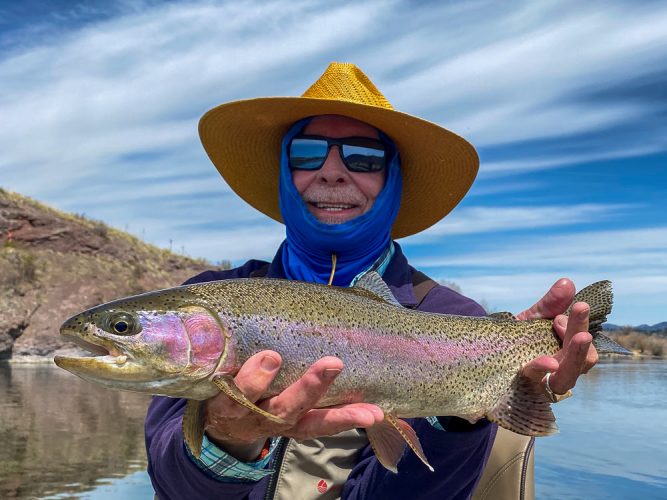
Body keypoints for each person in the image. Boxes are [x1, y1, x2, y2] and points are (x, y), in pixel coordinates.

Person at [145, 63, 598, 500]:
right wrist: (226, 440)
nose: (332, 170)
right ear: (285, 173)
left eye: (364, 157)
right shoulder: (210, 299)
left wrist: (464, 411)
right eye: (307, 153)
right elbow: (172, 487)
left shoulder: (456, 321)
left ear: (394, 179)